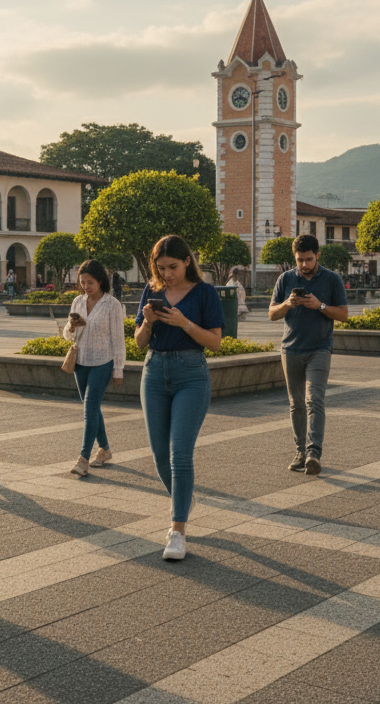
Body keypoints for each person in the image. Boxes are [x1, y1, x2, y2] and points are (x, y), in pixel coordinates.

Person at [135, 235, 224, 560]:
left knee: (180, 453)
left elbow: (214, 343)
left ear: (187, 261)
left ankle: (177, 531)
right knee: (160, 455)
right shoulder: (152, 290)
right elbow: (139, 342)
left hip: (190, 374)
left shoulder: (205, 293)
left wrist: (184, 322)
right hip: (154, 372)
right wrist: (148, 321)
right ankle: (183, 500)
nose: (167, 274)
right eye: (161, 268)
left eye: (172, 266)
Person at [269, 236, 349, 476]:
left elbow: (344, 315)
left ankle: (314, 453)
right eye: (300, 260)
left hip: (319, 348)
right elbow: (272, 314)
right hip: (291, 349)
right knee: (296, 404)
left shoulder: (332, 279)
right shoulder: (285, 279)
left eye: (309, 259)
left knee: (314, 399)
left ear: (318, 256)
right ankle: (300, 452)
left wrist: (320, 306)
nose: (304, 264)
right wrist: (287, 304)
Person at [64, 260, 126, 476]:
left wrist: (118, 369)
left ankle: (83, 459)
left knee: (90, 408)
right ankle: (105, 449)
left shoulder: (112, 305)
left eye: (90, 282)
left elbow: (118, 339)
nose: (86, 286)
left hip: (103, 362)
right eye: (82, 282)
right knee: (92, 409)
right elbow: (67, 334)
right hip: (80, 361)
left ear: (100, 281)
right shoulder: (78, 301)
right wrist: (71, 326)